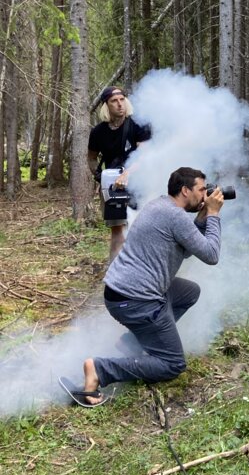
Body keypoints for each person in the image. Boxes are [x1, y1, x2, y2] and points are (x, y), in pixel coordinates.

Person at [66, 167, 225, 406]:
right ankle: (99, 370)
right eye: (202, 189)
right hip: (137, 299)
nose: (206, 194)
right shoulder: (176, 216)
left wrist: (202, 218)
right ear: (185, 190)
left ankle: (133, 343)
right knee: (173, 364)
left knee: (189, 292)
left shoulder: (161, 206)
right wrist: (213, 215)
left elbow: (188, 248)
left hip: (121, 291)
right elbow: (211, 254)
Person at [88, 86, 151, 262]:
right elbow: (91, 158)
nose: (119, 104)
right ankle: (114, 273)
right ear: (106, 106)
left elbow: (143, 154)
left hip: (140, 184)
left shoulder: (138, 125)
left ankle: (142, 269)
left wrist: (127, 174)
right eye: (114, 101)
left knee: (141, 227)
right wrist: (100, 176)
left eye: (122, 99)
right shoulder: (98, 132)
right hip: (113, 188)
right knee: (117, 230)